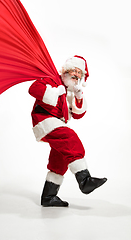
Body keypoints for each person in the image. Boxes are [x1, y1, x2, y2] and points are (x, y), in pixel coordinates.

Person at [28, 55, 107, 207]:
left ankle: (49, 197)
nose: (76, 75)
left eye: (80, 73)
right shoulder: (52, 80)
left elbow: (78, 115)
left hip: (57, 122)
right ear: (65, 70)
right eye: (74, 70)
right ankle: (84, 180)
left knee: (60, 159)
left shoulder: (69, 90)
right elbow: (33, 88)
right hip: (44, 120)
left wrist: (78, 95)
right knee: (69, 138)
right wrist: (53, 92)